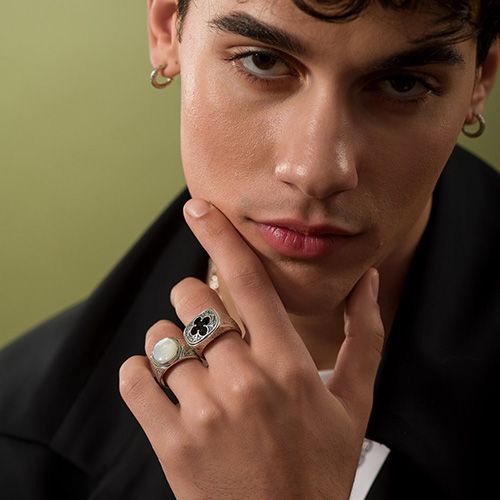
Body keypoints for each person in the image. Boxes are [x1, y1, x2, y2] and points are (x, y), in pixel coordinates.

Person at [1, 0, 499, 498]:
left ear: (482, 78)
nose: (317, 172)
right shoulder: (18, 441)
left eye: (402, 84)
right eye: (263, 61)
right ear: (166, 29)